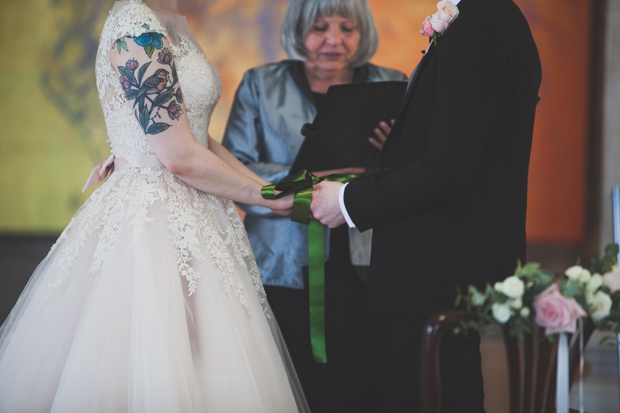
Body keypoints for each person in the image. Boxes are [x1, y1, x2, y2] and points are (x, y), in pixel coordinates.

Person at [0, 1, 311, 412]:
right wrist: (262, 199)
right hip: (151, 217)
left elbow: (198, 139)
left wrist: (269, 190)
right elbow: (178, 156)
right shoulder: (134, 22)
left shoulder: (174, 18)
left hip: (198, 211)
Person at [310, 0, 542, 411]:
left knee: (439, 400)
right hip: (439, 264)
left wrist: (348, 200)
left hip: (437, 267)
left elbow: (446, 169)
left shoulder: (480, 27)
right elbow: (460, 143)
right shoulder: (488, 20)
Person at [221, 0, 406, 411]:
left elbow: (417, 176)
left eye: (347, 28)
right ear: (298, 30)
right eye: (320, 27)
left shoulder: (394, 84)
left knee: (362, 384)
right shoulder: (259, 84)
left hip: (368, 265)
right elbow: (235, 170)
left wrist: (389, 156)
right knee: (286, 384)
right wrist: (324, 177)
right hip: (279, 267)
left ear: (363, 33)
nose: (333, 40)